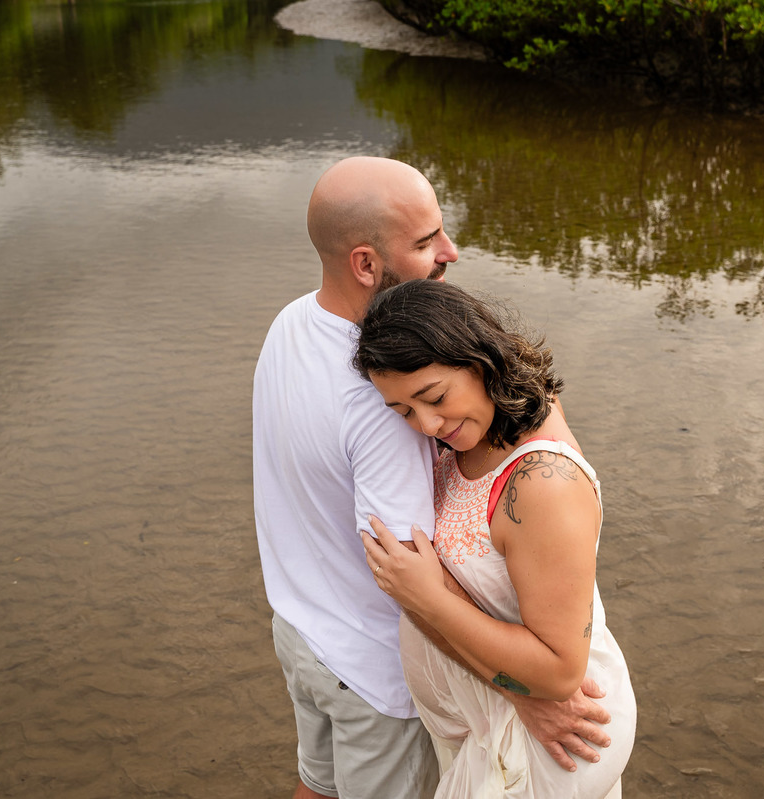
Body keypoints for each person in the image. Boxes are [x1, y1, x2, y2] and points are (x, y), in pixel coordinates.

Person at [253, 157, 614, 799]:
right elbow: (409, 579)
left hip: (302, 630)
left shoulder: (293, 323)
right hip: (370, 673)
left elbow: (551, 480)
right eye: (425, 242)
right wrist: (520, 694)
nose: (451, 251)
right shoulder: (380, 396)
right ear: (367, 264)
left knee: (317, 784)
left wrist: (528, 685)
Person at [354, 279, 637, 798]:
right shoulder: (476, 429)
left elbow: (558, 675)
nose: (427, 424)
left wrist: (428, 599)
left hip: (550, 742)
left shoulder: (542, 483)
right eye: (404, 412)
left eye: (435, 397)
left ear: (480, 360)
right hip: (494, 722)